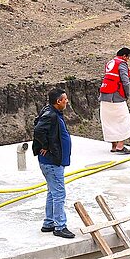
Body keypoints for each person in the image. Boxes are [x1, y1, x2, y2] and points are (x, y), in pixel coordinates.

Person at [31, 88, 75, 239]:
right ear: (58, 102)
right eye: (65, 99)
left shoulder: (53, 113)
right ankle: (60, 226)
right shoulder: (50, 115)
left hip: (53, 162)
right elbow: (38, 131)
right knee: (59, 194)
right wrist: (45, 146)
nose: (67, 101)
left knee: (52, 192)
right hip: (51, 162)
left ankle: (49, 222)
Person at [99, 47, 130, 154]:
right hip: (116, 95)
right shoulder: (121, 64)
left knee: (109, 121)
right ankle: (120, 146)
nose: (127, 60)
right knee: (124, 119)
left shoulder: (110, 63)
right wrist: (127, 94)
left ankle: (114, 145)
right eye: (128, 57)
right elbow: (125, 81)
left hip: (104, 95)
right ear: (124, 56)